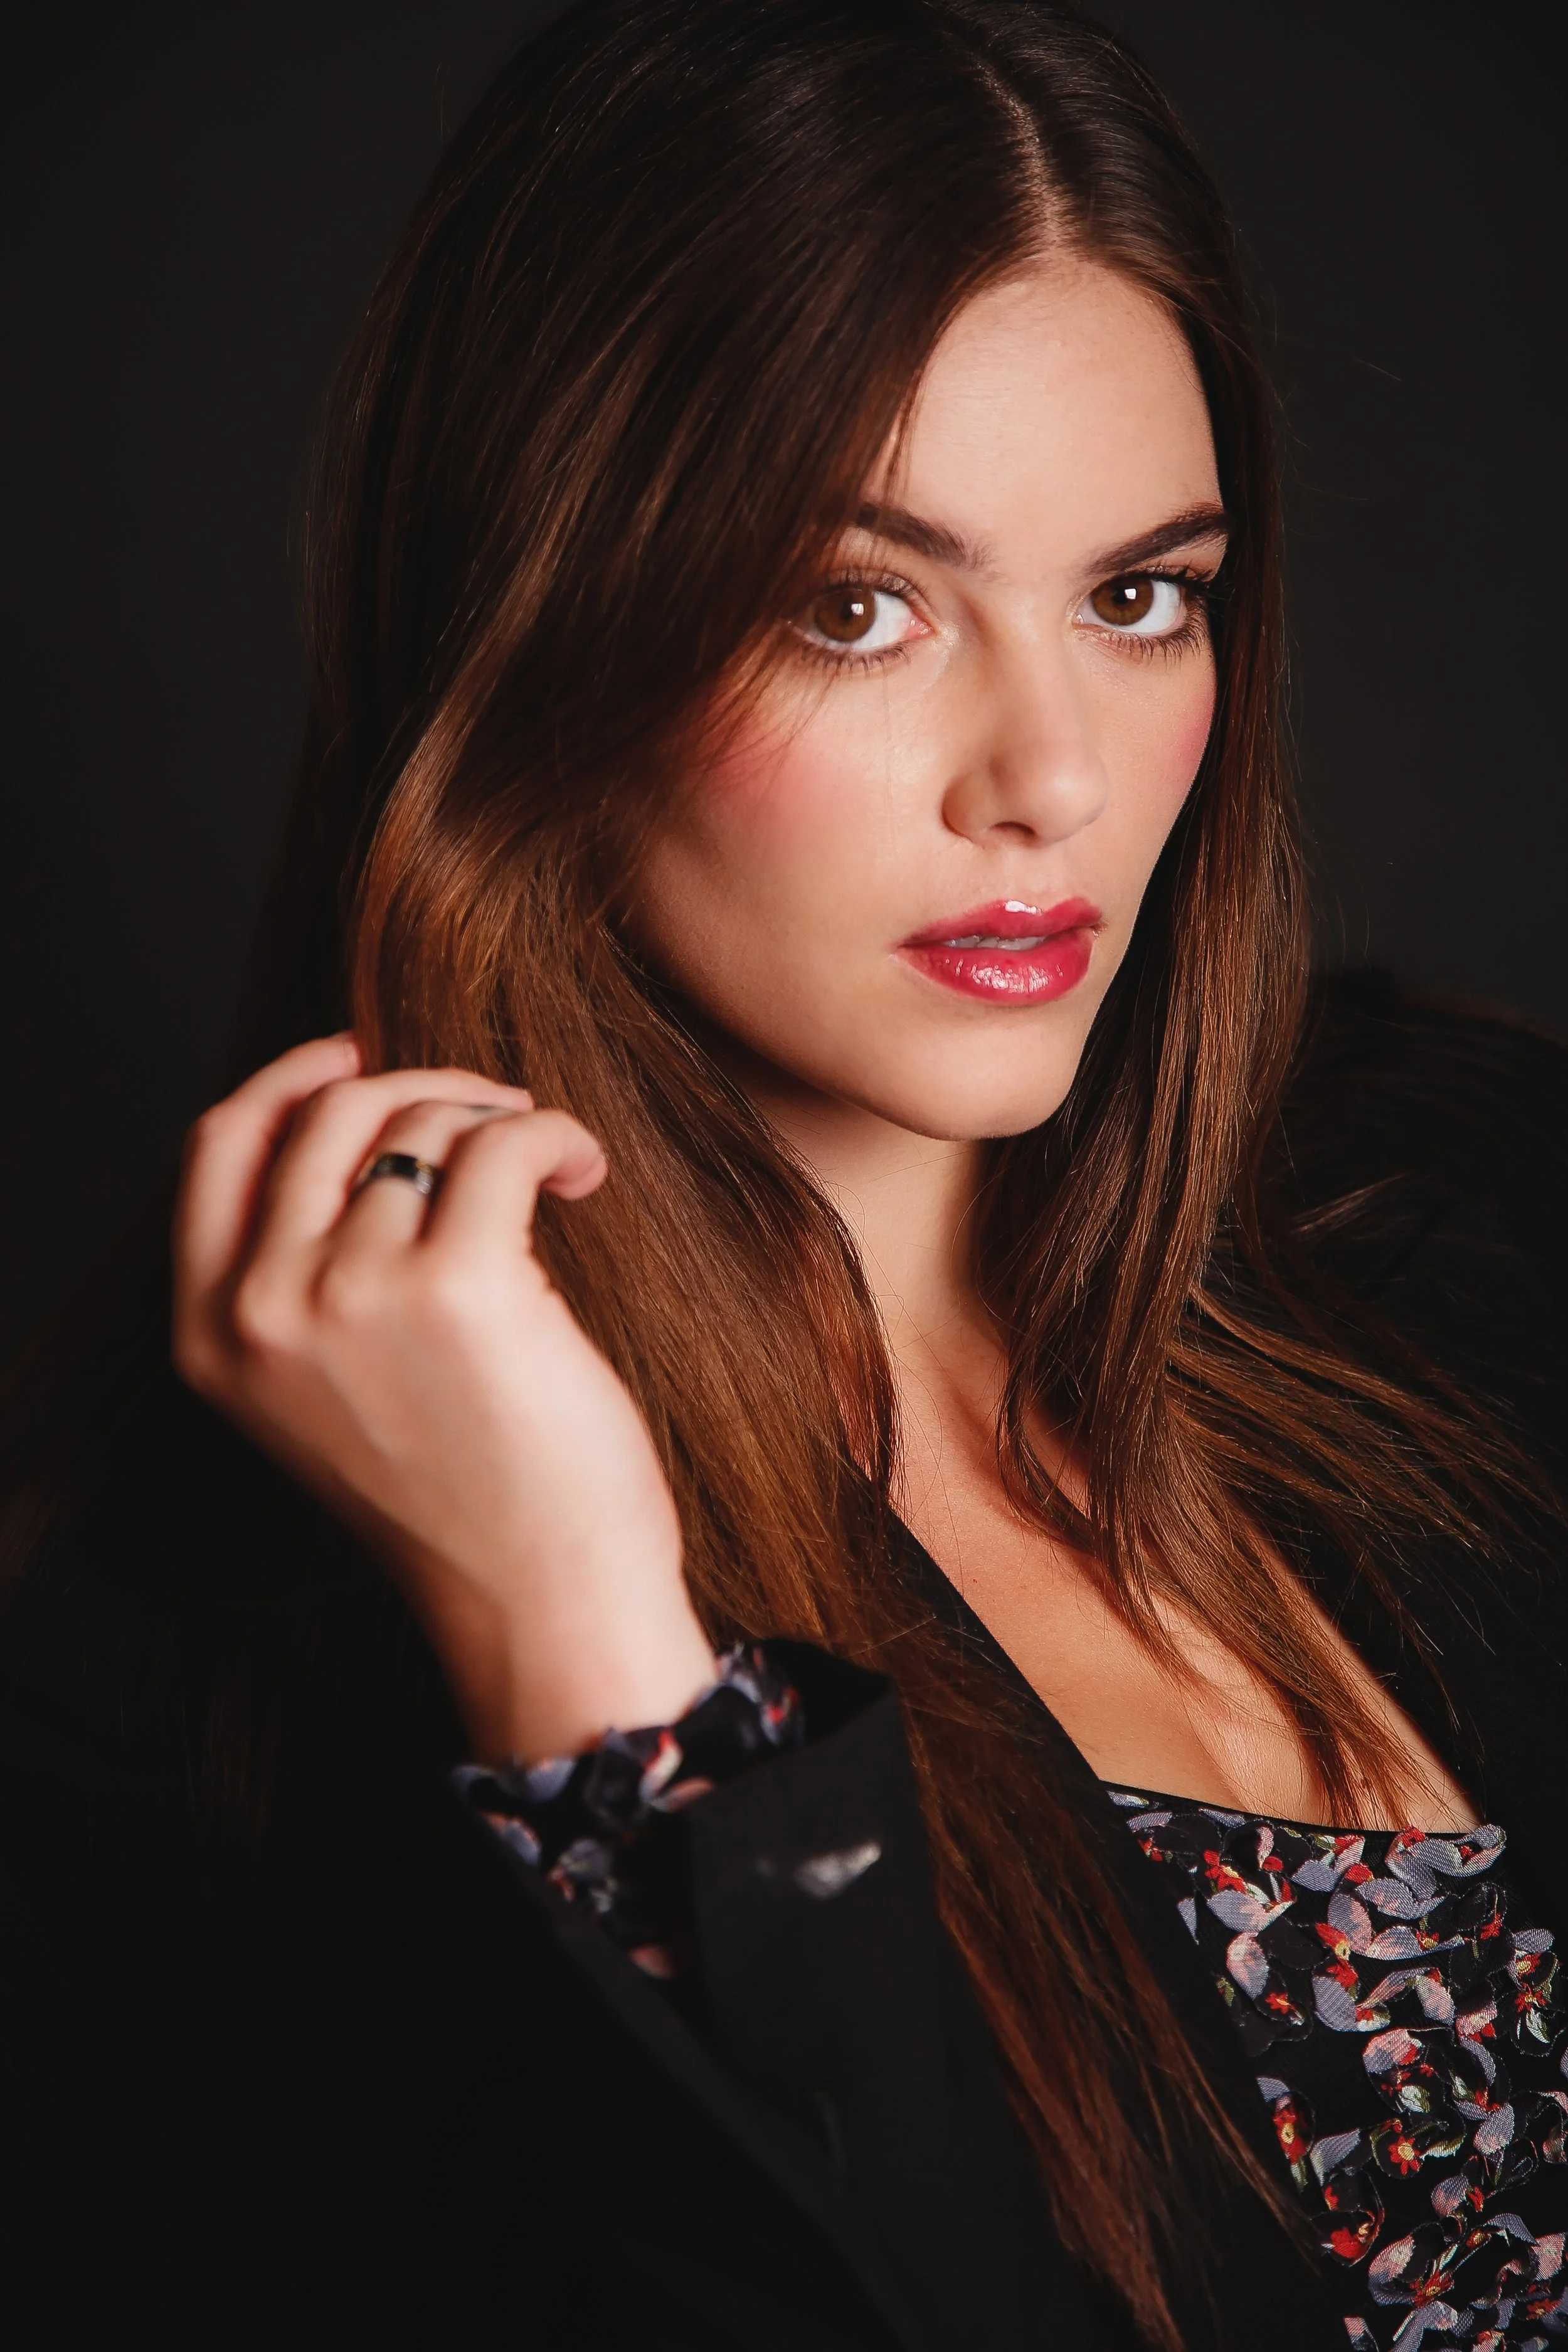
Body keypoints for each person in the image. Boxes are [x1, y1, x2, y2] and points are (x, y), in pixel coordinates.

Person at [3, 2, 1566, 2346]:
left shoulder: (1457, 1204)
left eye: (1138, 594)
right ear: (542, 630)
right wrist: (598, 1679)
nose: (1049, 772)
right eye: (856, 604)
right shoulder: (212, 1677)